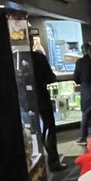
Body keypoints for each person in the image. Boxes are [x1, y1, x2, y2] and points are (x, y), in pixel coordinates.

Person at [30, 42, 64, 170]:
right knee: (48, 131)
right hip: (42, 100)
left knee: (30, 133)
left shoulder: (13, 58)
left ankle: (33, 163)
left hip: (24, 103)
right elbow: (50, 78)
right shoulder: (39, 58)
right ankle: (53, 163)